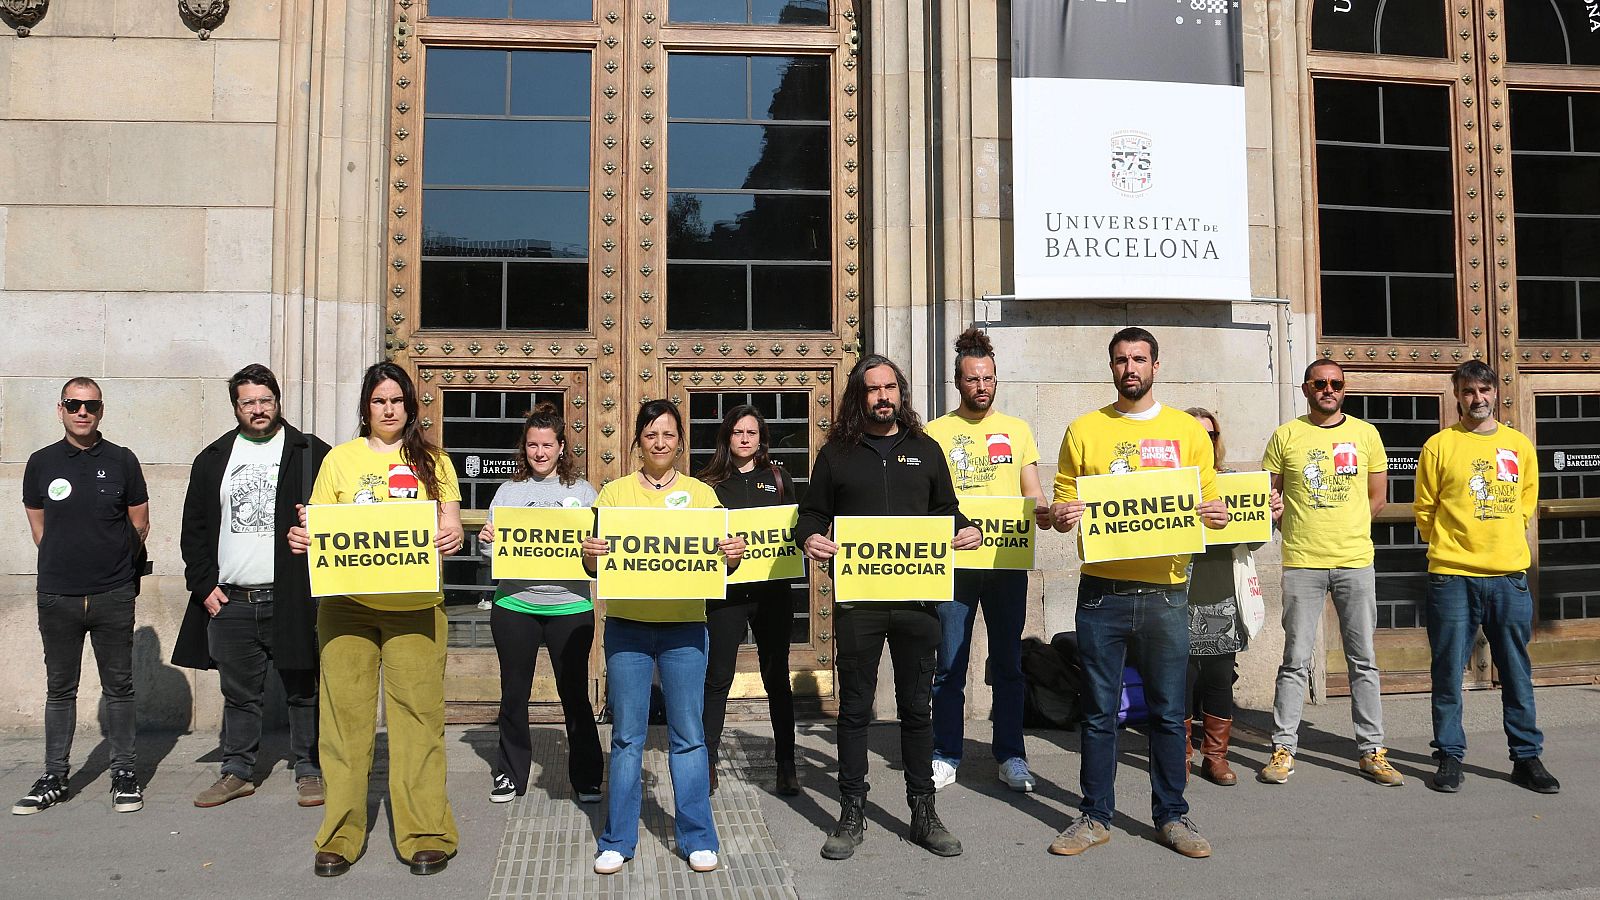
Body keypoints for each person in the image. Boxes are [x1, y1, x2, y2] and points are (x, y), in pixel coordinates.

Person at [1047, 327, 1226, 859]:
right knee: (1100, 712)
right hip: (1101, 593)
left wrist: (1214, 515)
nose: (1131, 368)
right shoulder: (1084, 430)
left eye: (1140, 359)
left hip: (1167, 592)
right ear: (1111, 366)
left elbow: (1209, 502)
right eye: (1122, 360)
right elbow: (1061, 506)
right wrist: (1061, 515)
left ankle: (1173, 816)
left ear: (1155, 365)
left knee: (1170, 713)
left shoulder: (1185, 432)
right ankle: (1094, 816)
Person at [795, 354, 982, 861]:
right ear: (860, 397)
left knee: (916, 709)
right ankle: (851, 810)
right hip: (860, 602)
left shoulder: (926, 449)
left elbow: (946, 509)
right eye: (872, 389)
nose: (883, 396)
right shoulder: (837, 454)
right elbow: (810, 512)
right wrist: (810, 536)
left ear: (901, 393)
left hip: (918, 602)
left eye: (890, 387)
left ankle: (924, 811)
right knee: (854, 710)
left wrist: (968, 528)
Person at [287, 362, 465, 877]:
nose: (388, 409)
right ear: (366, 406)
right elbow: (317, 527)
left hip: (415, 607)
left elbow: (449, 522)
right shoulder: (339, 461)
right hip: (346, 608)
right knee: (344, 725)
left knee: (418, 722)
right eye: (379, 400)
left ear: (410, 407)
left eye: (397, 401)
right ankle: (339, 835)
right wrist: (304, 540)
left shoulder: (433, 461)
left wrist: (449, 535)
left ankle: (426, 833)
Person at [585, 399, 746, 877]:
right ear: (638, 441)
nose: (660, 442)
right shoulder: (613, 494)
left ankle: (697, 836)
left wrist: (732, 554)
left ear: (680, 442)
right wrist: (591, 553)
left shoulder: (701, 494)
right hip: (628, 628)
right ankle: (617, 839)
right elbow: (592, 563)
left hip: (684, 629)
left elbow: (725, 561)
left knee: (689, 737)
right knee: (627, 737)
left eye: (669, 434)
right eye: (651, 434)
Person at [173, 364, 331, 809]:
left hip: (293, 596)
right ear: (236, 407)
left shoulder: (311, 452)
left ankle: (309, 768)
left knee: (304, 687)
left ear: (277, 401)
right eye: (249, 402)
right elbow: (195, 530)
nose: (258, 409)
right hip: (233, 599)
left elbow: (341, 514)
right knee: (239, 693)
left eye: (266, 400)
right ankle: (237, 770)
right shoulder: (214, 458)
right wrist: (204, 586)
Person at [1259, 359, 1404, 787]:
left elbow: (1377, 499)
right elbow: (1269, 497)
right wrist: (1289, 524)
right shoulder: (1286, 435)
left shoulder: (1365, 434)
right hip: (1303, 561)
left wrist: (1347, 529)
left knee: (1363, 661)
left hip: (1355, 561)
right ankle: (1283, 748)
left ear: (1344, 389)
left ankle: (1372, 750)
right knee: (1295, 660)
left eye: (1336, 384)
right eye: (1320, 383)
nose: (1328, 389)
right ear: (1306, 388)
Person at [1415, 361, 1558, 794]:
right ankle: (1450, 755)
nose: (1477, 399)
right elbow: (1425, 509)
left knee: (1516, 670)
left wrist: (1502, 534)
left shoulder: (1518, 445)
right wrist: (1454, 542)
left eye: (1484, 390)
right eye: (1469, 391)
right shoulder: (1439, 446)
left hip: (1509, 576)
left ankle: (1526, 758)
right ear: (1457, 396)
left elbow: (1526, 499)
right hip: (1452, 575)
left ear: (1496, 392)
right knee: (1448, 671)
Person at [14, 377, 150, 816]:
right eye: (74, 405)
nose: (82, 412)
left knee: (120, 688)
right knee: (60, 689)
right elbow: (39, 525)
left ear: (101, 410)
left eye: (90, 405)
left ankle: (124, 774)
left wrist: (112, 567)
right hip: (58, 595)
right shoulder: (41, 462)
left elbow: (139, 523)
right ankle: (55, 775)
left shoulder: (123, 460)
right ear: (61, 409)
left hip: (113, 593)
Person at [925, 328, 1047, 794]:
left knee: (1008, 663)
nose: (982, 386)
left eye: (989, 378)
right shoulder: (936, 432)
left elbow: (1031, 491)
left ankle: (1011, 753)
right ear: (958, 381)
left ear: (996, 380)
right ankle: (945, 752)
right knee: (949, 664)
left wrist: (1047, 511)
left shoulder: (1017, 430)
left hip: (1005, 564)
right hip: (952, 567)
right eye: (973, 379)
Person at [476, 402, 603, 805]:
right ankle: (510, 774)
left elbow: (600, 554)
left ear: (562, 446)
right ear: (524, 448)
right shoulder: (508, 492)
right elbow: (491, 554)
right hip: (515, 604)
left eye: (548, 445)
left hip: (569, 607)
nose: (540, 453)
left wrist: (593, 551)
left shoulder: (583, 492)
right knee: (514, 693)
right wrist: (485, 545)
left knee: (575, 695)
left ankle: (586, 777)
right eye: (533, 445)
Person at [696, 405, 800, 797]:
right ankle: (706, 762)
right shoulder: (708, 484)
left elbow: (794, 528)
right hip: (727, 595)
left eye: (751, 433)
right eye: (737, 432)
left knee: (777, 679)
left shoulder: (778, 478)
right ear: (726, 438)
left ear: (761, 439)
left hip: (772, 592)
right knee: (718, 677)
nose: (744, 439)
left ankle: (786, 764)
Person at [1182, 407, 1279, 786]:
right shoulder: (1168, 482)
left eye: (1210, 434)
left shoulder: (1233, 482)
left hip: (1222, 591)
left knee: (1220, 679)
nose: (1204, 441)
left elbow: (1253, 540)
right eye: (1196, 434)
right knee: (1182, 681)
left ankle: (1216, 758)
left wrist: (1269, 516)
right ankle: (1181, 756)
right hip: (1179, 593)